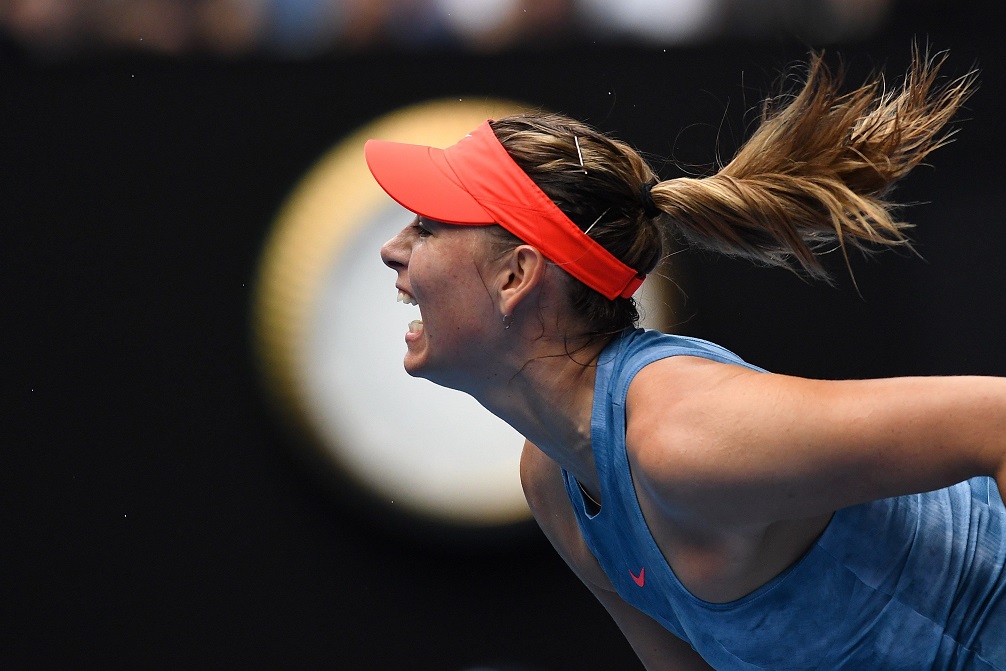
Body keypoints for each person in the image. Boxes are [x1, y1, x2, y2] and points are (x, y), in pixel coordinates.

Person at [367, 48, 1005, 670]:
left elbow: (997, 422)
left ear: (516, 276)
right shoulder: (553, 483)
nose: (393, 249)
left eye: (427, 226)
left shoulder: (682, 435)